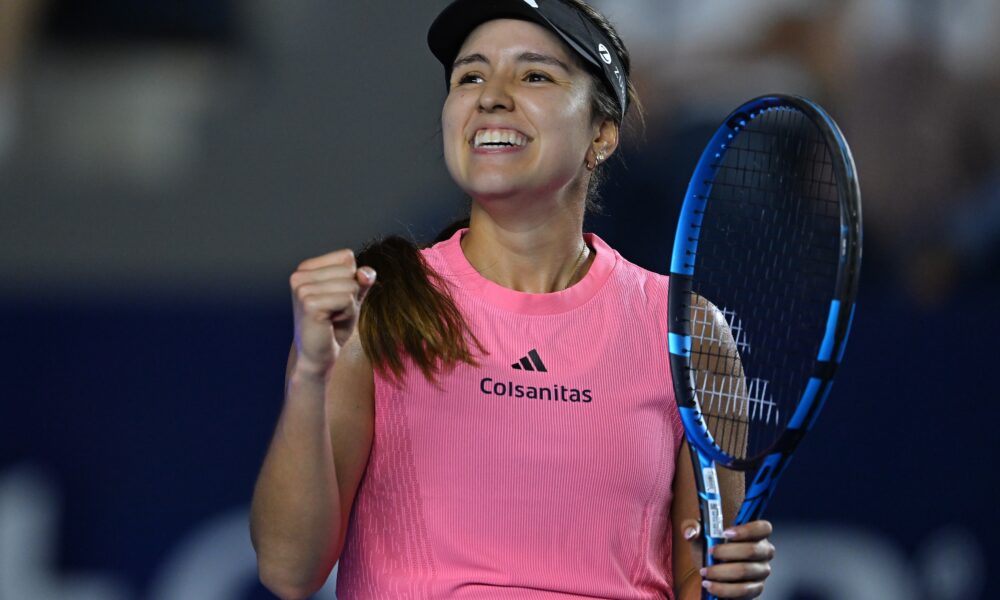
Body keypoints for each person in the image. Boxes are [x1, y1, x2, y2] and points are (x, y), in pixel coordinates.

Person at [250, 1, 775, 598]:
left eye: (534, 76)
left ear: (602, 134)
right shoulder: (373, 306)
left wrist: (729, 585)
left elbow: (702, 580)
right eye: (470, 77)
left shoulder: (687, 330)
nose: (491, 97)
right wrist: (310, 376)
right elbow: (288, 570)